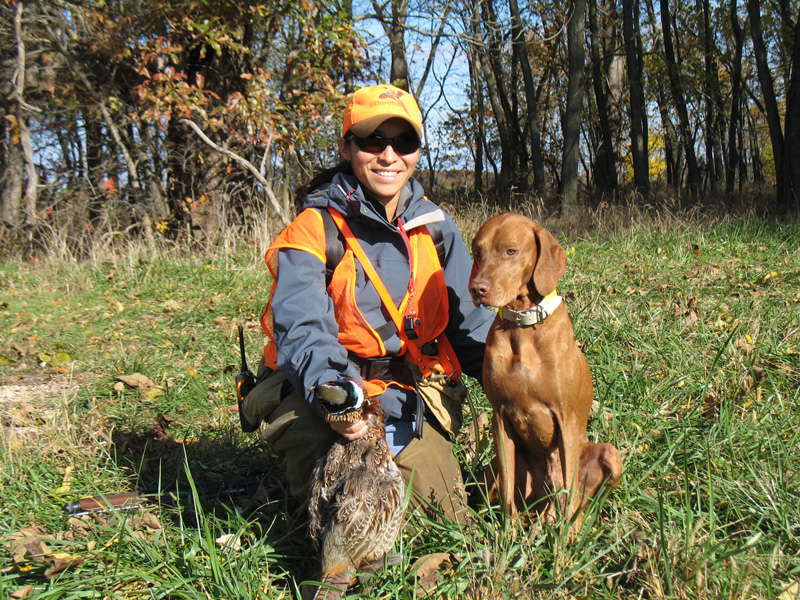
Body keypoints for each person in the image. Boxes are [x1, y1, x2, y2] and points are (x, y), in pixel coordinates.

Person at [240, 84, 494, 523]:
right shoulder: (312, 227)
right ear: (347, 147)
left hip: (404, 397)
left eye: (404, 141)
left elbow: (469, 325)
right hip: (324, 397)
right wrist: (336, 399)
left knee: (446, 523)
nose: (389, 155)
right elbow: (302, 326)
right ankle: (305, 499)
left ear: (416, 151)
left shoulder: (435, 227)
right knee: (343, 521)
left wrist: (523, 373)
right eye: (373, 140)